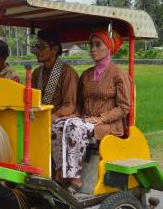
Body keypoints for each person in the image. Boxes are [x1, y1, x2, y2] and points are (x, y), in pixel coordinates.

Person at [51, 29, 130, 193]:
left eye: (97, 45)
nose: (92, 49)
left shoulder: (118, 74)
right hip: (86, 120)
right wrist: (72, 115)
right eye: (90, 45)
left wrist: (101, 118)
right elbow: (79, 105)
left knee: (75, 128)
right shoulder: (86, 75)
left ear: (108, 47)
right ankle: (60, 170)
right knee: (57, 125)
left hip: (109, 125)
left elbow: (124, 107)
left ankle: (75, 178)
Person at [31, 29, 79, 123]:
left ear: (54, 49)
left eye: (42, 47)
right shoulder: (36, 73)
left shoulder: (67, 73)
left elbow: (70, 105)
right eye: (37, 47)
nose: (37, 51)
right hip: (37, 116)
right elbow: (32, 99)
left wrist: (52, 117)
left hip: (58, 119)